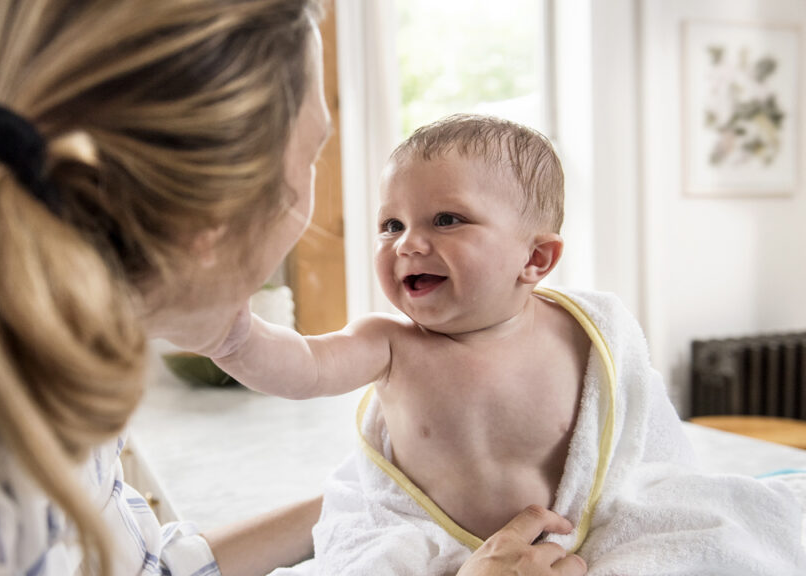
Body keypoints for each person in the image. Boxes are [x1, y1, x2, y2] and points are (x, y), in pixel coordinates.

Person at [0, 2, 589, 575]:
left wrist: (394, 507)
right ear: (213, 221)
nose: (405, 244)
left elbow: (145, 569)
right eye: (313, 161)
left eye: (450, 220)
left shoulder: (42, 287)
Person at [212, 113, 806, 575]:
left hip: (590, 534)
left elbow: (634, 434)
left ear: (536, 258)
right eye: (391, 224)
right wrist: (234, 335)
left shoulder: (584, 331)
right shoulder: (390, 345)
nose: (407, 243)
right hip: (445, 548)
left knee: (724, 541)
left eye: (446, 220)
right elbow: (303, 369)